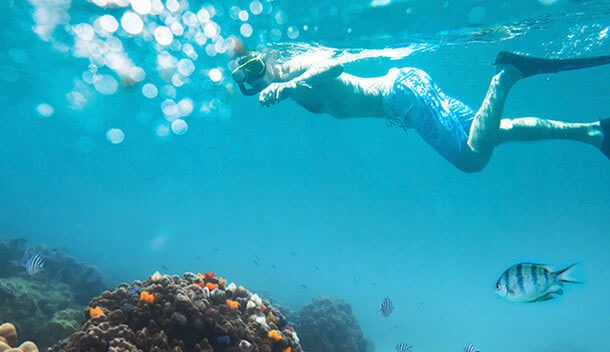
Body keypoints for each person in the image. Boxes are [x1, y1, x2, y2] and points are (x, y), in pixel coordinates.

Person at [230, 49, 610, 173]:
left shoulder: (297, 66)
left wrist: (289, 84)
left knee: (472, 159)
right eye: (245, 79)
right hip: (406, 88)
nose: (254, 79)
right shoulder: (288, 86)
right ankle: (592, 132)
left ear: (269, 58)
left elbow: (335, 65)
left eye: (253, 66)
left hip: (401, 96)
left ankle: (508, 74)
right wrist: (285, 88)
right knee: (495, 129)